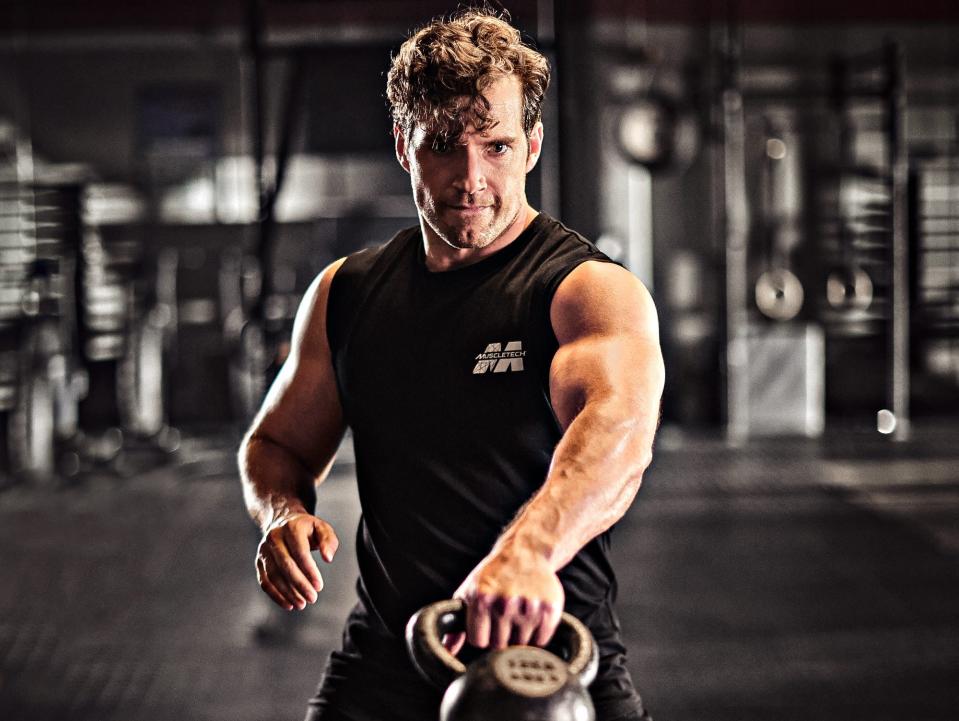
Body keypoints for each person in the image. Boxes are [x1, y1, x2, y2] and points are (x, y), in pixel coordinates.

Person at [238, 8, 664, 720]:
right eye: (443, 145)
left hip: (544, 667)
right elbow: (276, 442)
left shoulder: (582, 290)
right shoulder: (347, 294)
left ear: (530, 146)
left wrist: (529, 553)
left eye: (494, 146)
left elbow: (618, 434)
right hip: (385, 662)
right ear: (403, 146)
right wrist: (281, 513)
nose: (470, 178)